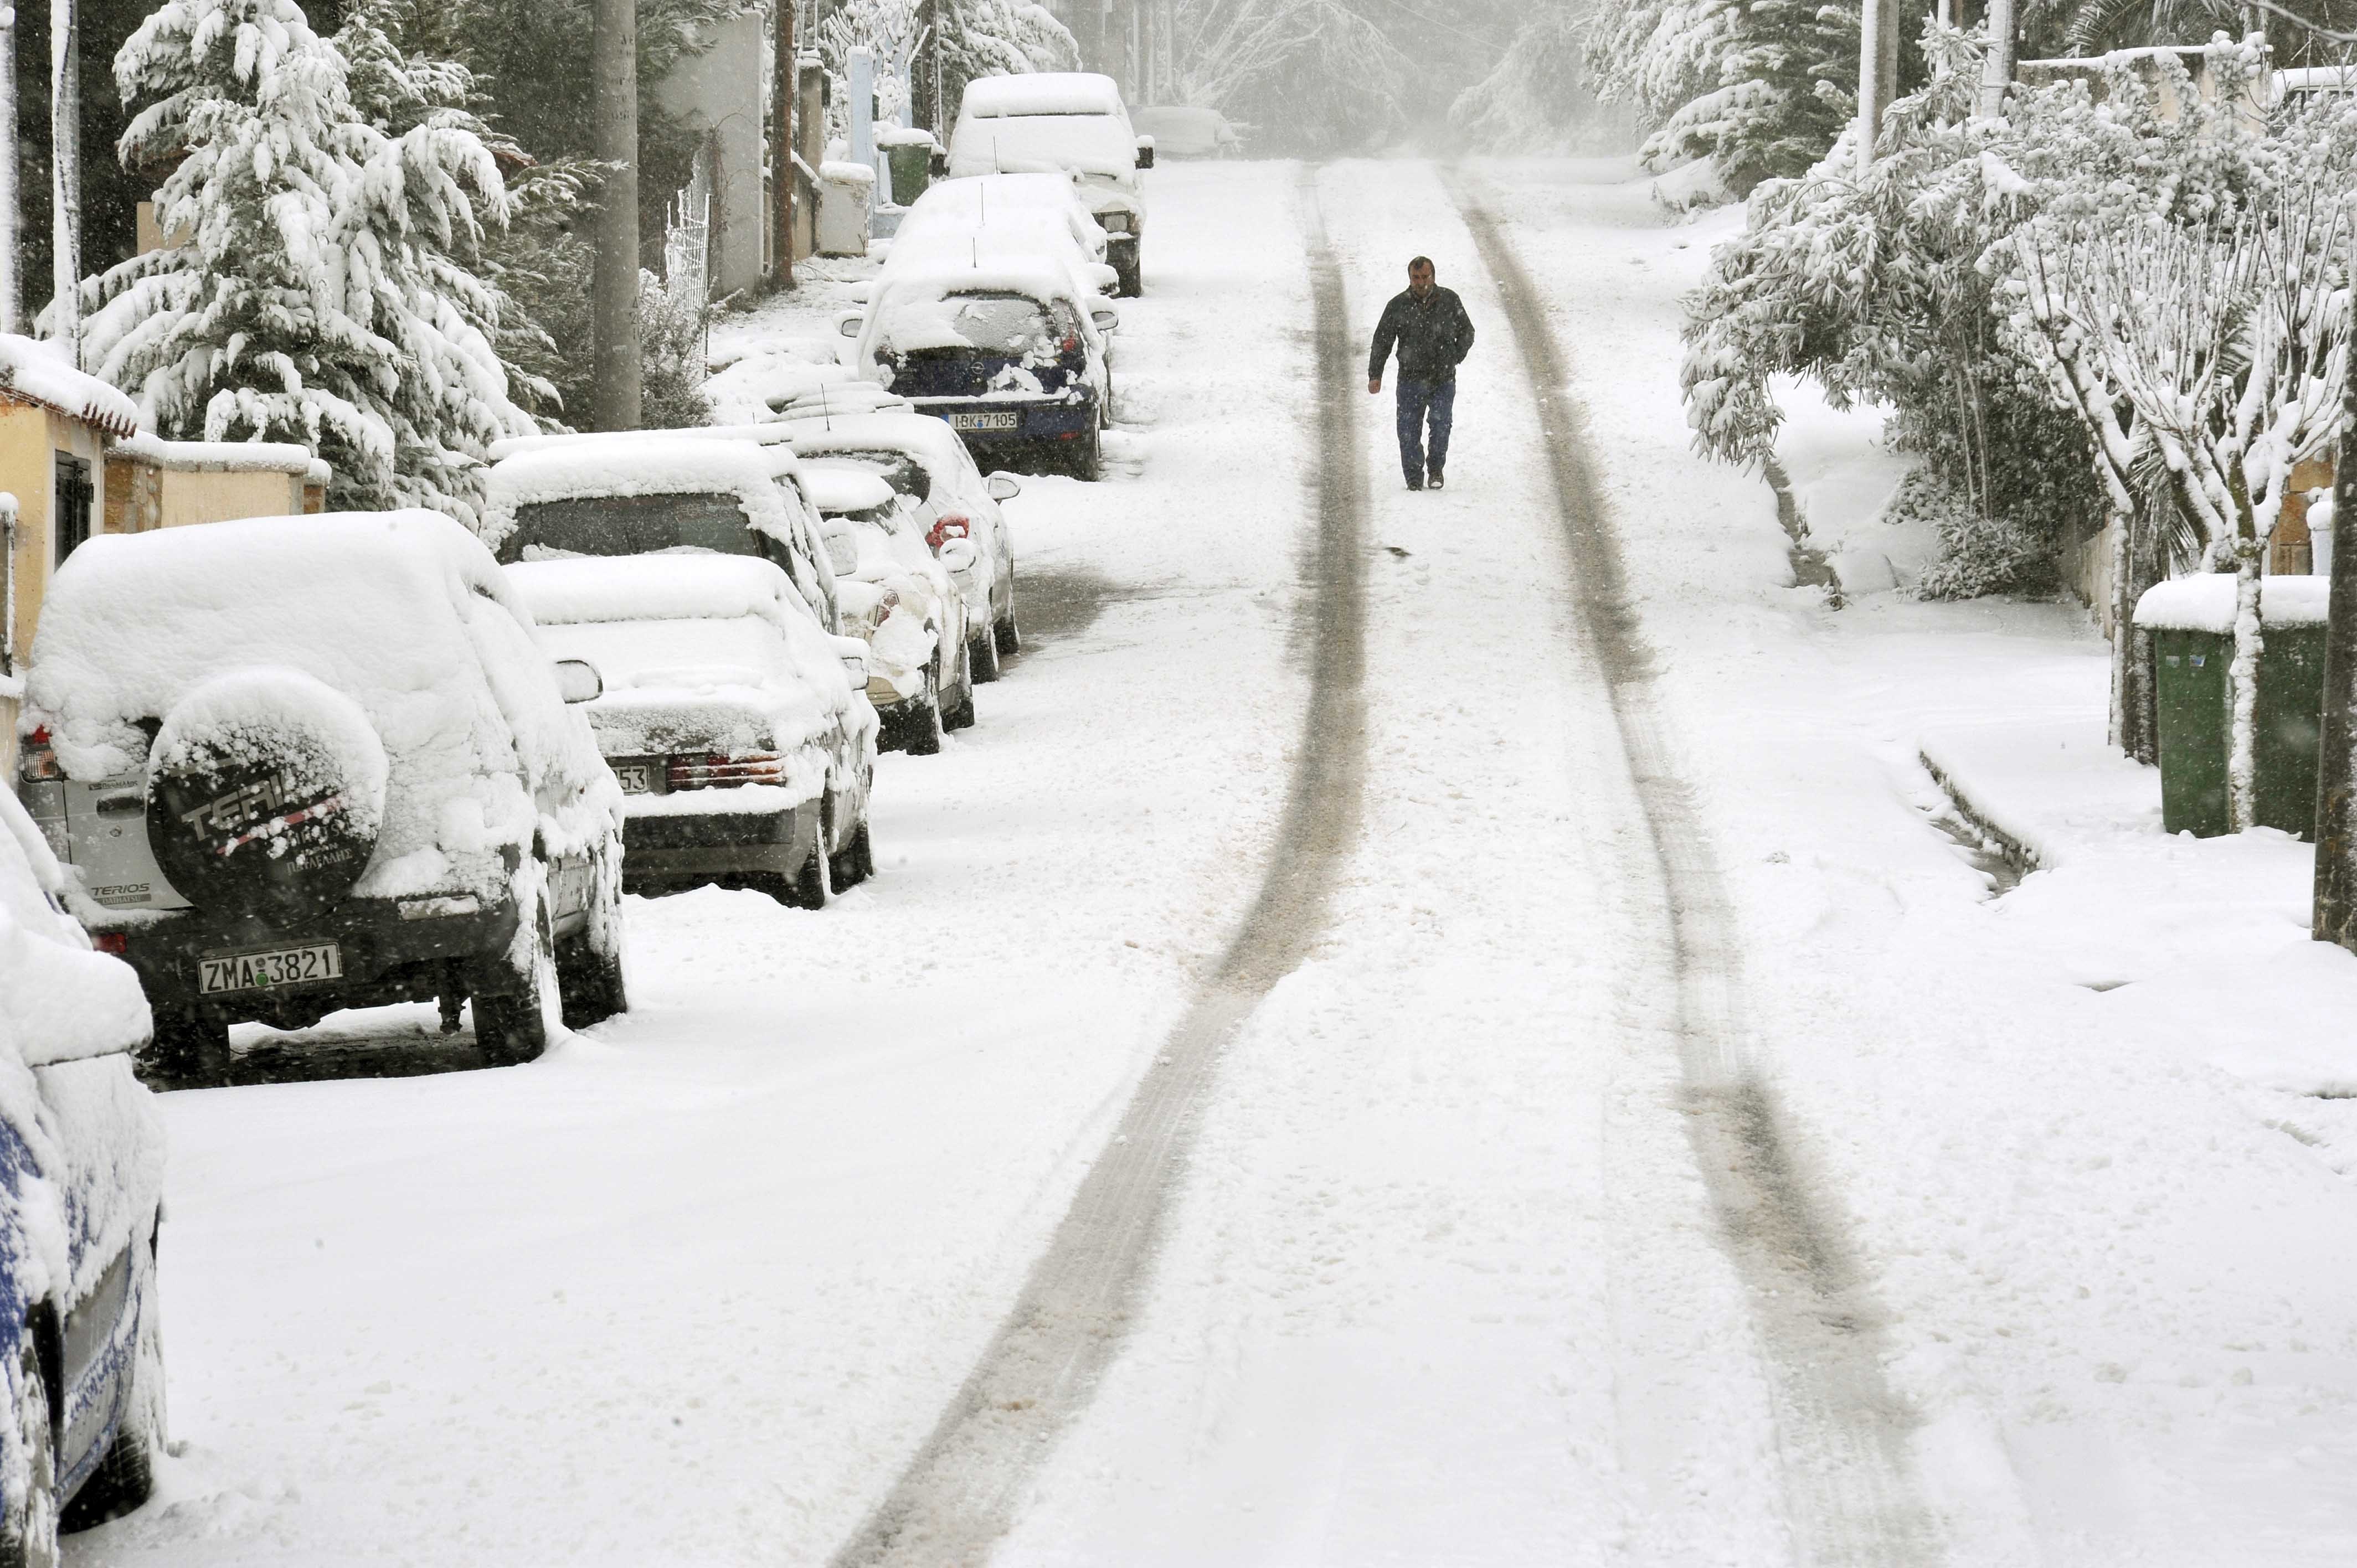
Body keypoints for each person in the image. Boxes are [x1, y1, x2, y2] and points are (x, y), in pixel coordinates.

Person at [1366, 256, 1475, 491]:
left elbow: (1467, 331)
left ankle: (1436, 469)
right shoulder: (1398, 306)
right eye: (1416, 278)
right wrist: (1375, 375)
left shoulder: (1449, 300)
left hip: (1442, 380)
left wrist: (1454, 356)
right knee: (1407, 430)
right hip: (1410, 380)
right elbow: (1382, 341)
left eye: (1425, 277)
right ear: (1410, 278)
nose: (1421, 282)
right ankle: (1413, 476)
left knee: (1441, 424)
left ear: (1433, 276)